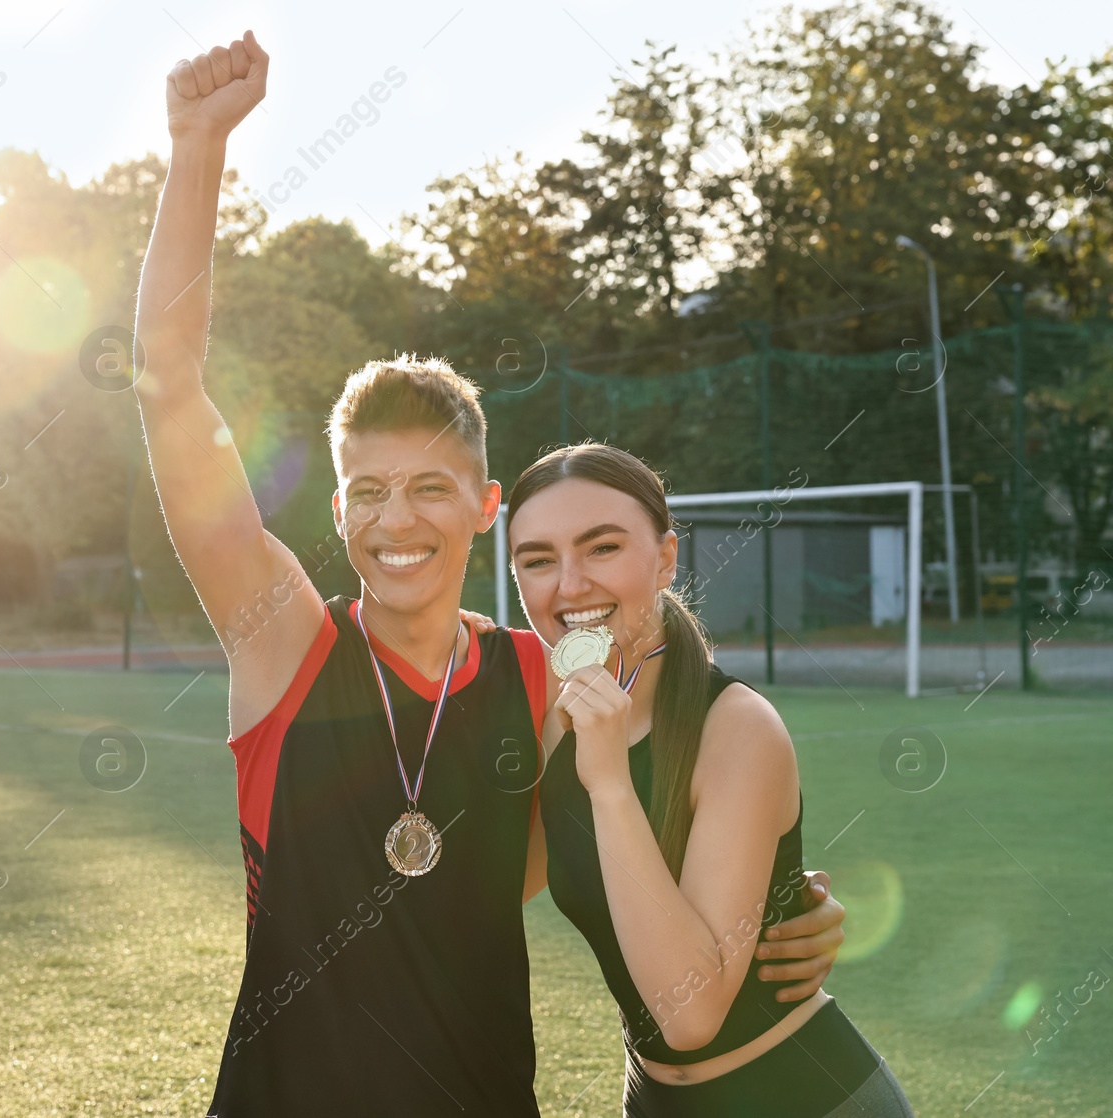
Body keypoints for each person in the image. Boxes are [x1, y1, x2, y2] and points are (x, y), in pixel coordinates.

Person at [132, 32, 848, 1116]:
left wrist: (796, 899)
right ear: (337, 513)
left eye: (429, 487)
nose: (396, 518)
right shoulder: (285, 639)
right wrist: (196, 152)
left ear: (482, 506)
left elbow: (690, 764)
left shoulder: (539, 674)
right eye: (366, 491)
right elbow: (168, 386)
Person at [495, 442, 913, 1117]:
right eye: (537, 560)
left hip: (807, 1099)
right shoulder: (545, 711)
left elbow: (690, 1017)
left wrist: (608, 783)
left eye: (602, 548)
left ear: (665, 557)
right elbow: (500, 886)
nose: (569, 586)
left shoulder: (738, 727)